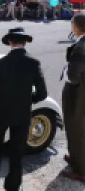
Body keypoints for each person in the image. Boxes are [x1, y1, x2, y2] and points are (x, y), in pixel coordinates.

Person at [0, 27, 47, 191]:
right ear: (25, 42)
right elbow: (43, 93)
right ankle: (13, 185)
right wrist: (28, 100)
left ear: (10, 43)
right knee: (16, 152)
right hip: (22, 113)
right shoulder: (33, 63)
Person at [61, 13, 85, 183]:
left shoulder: (81, 47)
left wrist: (67, 71)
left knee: (76, 128)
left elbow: (74, 75)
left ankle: (80, 169)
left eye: (72, 22)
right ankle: (76, 156)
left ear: (77, 26)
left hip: (78, 94)